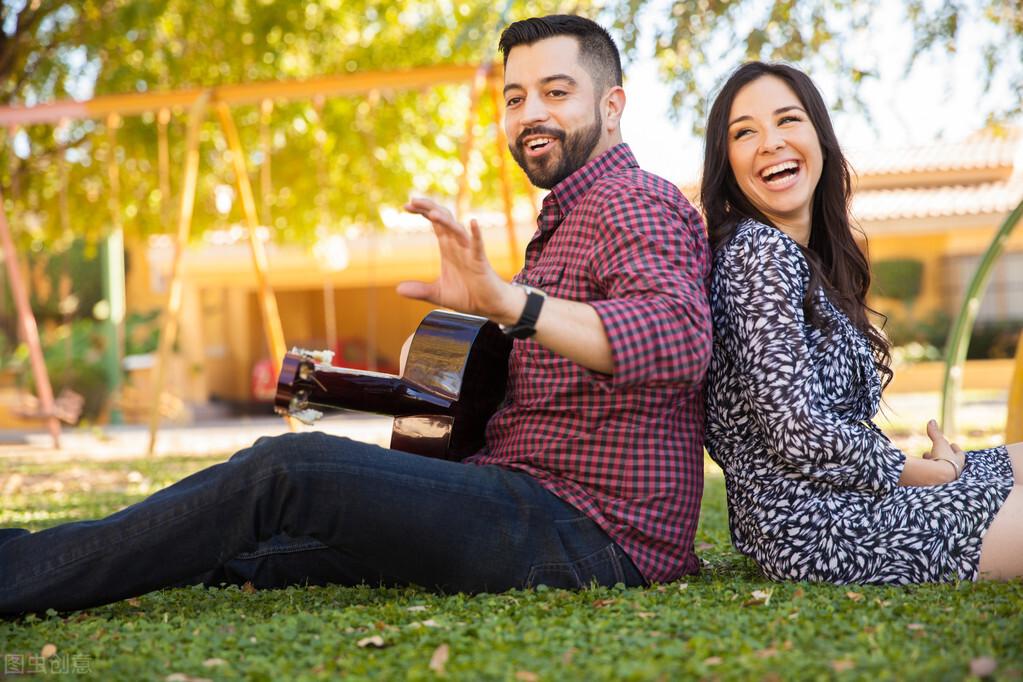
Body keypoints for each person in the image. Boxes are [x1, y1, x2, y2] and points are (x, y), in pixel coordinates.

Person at [0, 15, 712, 616]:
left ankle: (18, 575)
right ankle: (34, 557)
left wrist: (512, 305)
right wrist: (470, 330)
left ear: (612, 105)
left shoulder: (632, 201)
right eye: (515, 96)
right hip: (527, 497)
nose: (530, 114)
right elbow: (492, 396)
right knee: (258, 551)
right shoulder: (567, 215)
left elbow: (679, 337)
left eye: (556, 92)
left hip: (590, 530)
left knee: (287, 472)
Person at [701, 60, 1023, 584]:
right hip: (823, 528)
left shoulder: (802, 260)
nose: (770, 143)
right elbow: (796, 427)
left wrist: (939, 469)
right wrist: (925, 474)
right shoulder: (758, 253)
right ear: (727, 162)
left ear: (819, 139)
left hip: (854, 499)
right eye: (744, 132)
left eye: (788, 120)